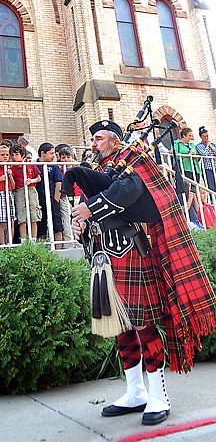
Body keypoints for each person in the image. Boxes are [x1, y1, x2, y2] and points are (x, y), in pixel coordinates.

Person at [69, 120, 216, 427]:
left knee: (143, 324)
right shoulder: (97, 169)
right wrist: (79, 224)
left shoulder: (132, 159)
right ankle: (135, 391)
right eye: (92, 139)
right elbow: (86, 207)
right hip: (103, 255)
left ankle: (159, 396)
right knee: (120, 326)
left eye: (98, 138)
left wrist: (92, 209)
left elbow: (130, 192)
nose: (93, 143)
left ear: (113, 139)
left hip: (132, 252)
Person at [10, 143, 41, 241]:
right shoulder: (12, 168)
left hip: (31, 190)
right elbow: (13, 186)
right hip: (19, 191)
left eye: (17, 154)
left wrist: (31, 181)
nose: (14, 157)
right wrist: (10, 176)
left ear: (22, 155)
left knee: (34, 215)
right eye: (12, 155)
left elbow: (38, 178)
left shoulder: (30, 165)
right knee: (21, 216)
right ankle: (24, 241)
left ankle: (33, 240)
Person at [36, 143, 63, 245]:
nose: (53, 156)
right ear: (43, 153)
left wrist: (56, 200)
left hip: (52, 199)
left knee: (57, 225)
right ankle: (43, 252)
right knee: (41, 226)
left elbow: (58, 183)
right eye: (51, 153)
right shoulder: (35, 165)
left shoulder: (54, 167)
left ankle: (59, 249)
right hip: (39, 201)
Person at [196, 126, 216, 192]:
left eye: (207, 136)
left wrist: (212, 148)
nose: (206, 138)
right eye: (204, 136)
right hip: (207, 168)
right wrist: (207, 147)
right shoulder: (199, 145)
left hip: (215, 166)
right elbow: (204, 154)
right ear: (201, 137)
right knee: (211, 187)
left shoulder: (213, 144)